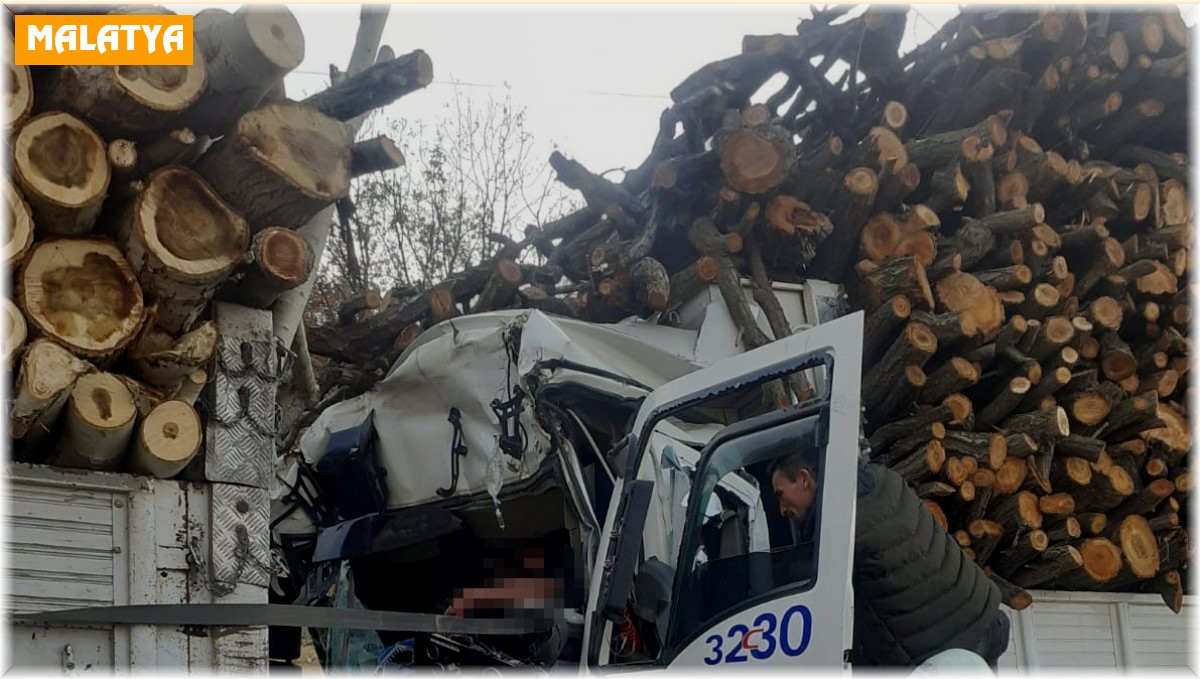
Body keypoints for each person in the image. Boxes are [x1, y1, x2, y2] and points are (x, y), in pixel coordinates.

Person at [770, 450, 1010, 671]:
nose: (781, 509)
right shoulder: (879, 479)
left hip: (947, 653)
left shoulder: (838, 522)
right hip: (984, 619)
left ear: (803, 479)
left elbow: (820, 600)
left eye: (780, 495)